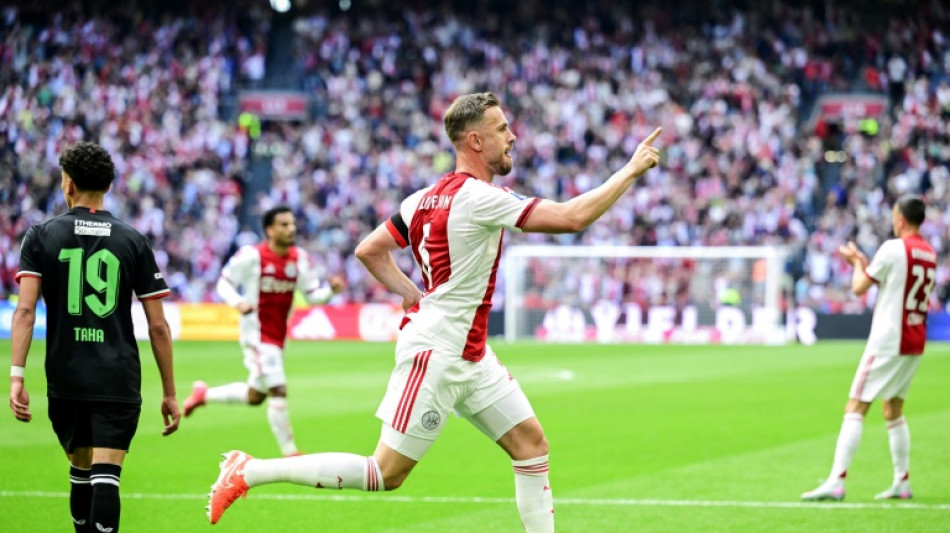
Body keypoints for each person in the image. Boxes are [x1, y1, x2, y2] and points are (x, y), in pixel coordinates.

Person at [205, 92, 661, 531]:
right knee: (385, 472)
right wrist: (631, 169)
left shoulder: (422, 198)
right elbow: (571, 218)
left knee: (531, 446)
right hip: (438, 352)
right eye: (502, 129)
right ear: (476, 141)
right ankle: (250, 470)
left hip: (471, 354)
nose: (513, 137)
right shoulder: (479, 197)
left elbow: (369, 249)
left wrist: (411, 293)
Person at [9, 141, 180, 533]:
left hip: (66, 375)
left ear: (68, 183)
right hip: (117, 376)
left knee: (80, 469)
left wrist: (17, 375)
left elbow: (25, 311)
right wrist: (170, 392)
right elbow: (158, 326)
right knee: (106, 475)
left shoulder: (41, 236)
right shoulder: (133, 240)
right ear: (109, 185)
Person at [802, 195, 936, 502]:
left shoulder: (893, 248)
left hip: (888, 338)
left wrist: (855, 264)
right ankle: (902, 481)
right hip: (915, 338)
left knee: (856, 406)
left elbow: (859, 287)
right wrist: (863, 264)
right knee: (893, 409)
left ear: (900, 219)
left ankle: (836, 481)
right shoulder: (929, 253)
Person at [183, 205, 345, 457]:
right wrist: (238, 302)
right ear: (270, 230)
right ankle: (290, 453)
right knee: (278, 389)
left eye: (292, 224)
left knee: (255, 396)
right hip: (256, 334)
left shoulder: (300, 259)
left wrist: (330, 291)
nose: (291, 229)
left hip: (278, 336)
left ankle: (203, 395)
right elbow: (224, 283)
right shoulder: (251, 256)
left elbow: (312, 295)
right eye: (284, 224)